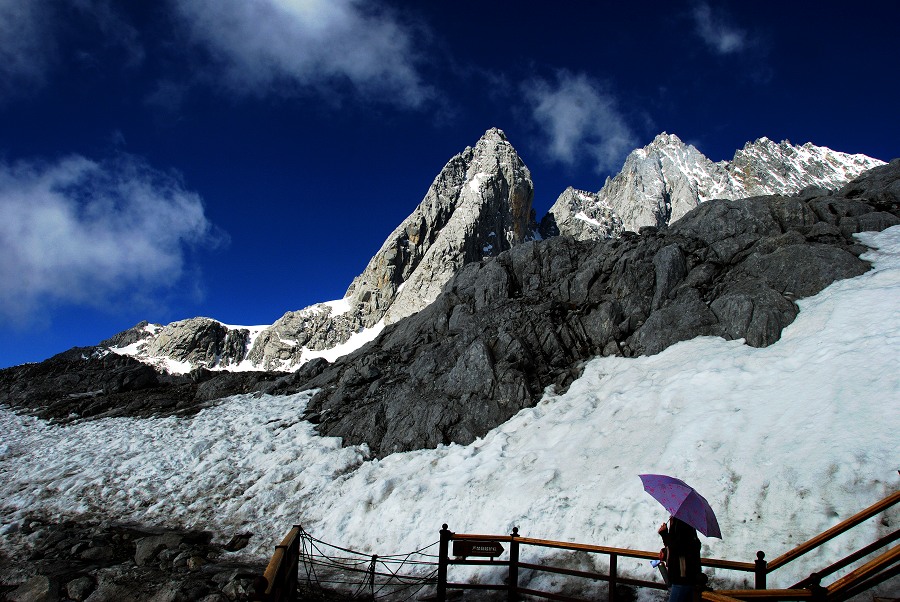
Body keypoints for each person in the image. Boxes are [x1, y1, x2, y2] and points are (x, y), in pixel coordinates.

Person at [657, 517, 702, 602]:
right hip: (686, 576)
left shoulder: (682, 524)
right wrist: (665, 551)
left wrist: (664, 534)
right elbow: (680, 546)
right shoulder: (684, 523)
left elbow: (679, 548)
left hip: (682, 577)